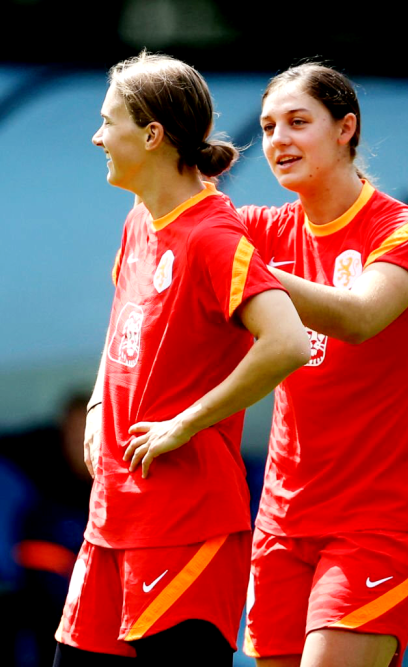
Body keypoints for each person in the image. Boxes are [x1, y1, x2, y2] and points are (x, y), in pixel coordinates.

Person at [53, 52, 310, 666]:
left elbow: (289, 342)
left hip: (184, 525)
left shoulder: (212, 236)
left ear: (151, 134)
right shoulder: (140, 220)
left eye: (107, 120)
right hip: (113, 515)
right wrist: (95, 403)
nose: (96, 136)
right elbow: (124, 330)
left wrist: (185, 422)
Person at [238, 63, 408, 667]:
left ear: (345, 129)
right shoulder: (261, 229)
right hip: (282, 519)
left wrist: (250, 277)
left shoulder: (405, 230)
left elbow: (358, 317)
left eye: (298, 122)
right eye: (269, 126)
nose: (279, 140)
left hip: (380, 521)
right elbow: (177, 238)